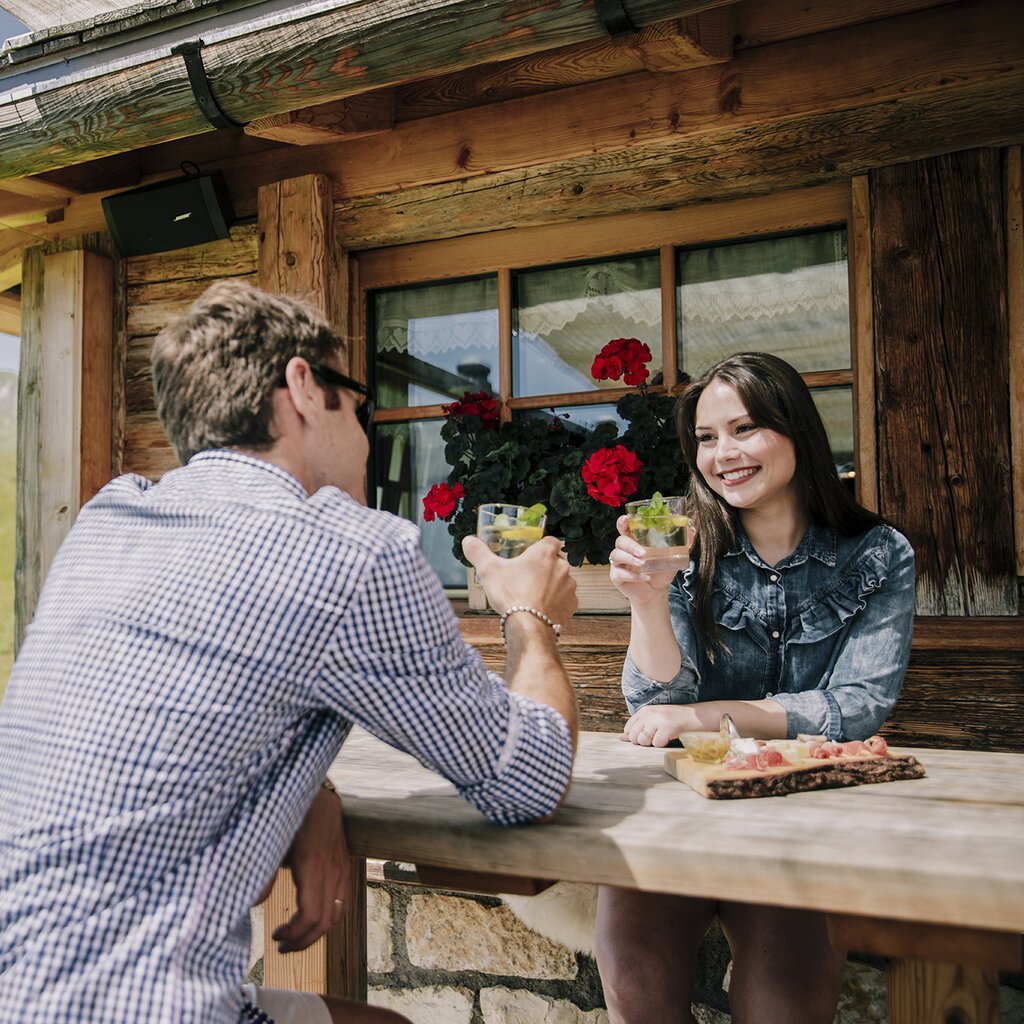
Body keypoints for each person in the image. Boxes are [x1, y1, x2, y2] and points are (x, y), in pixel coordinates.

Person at [0, 280, 579, 1024]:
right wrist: (529, 612)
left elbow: (182, 716)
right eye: (359, 401)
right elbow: (527, 780)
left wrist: (313, 794)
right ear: (303, 386)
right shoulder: (345, 551)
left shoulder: (109, 520)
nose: (370, 434)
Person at [594, 352, 916, 1024]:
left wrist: (711, 714)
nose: (724, 454)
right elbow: (654, 710)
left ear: (796, 429)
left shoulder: (878, 553)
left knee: (786, 1008)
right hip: (677, 813)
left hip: (796, 818)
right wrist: (648, 602)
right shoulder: (678, 538)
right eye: (707, 438)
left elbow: (859, 705)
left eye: (744, 429)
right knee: (633, 984)